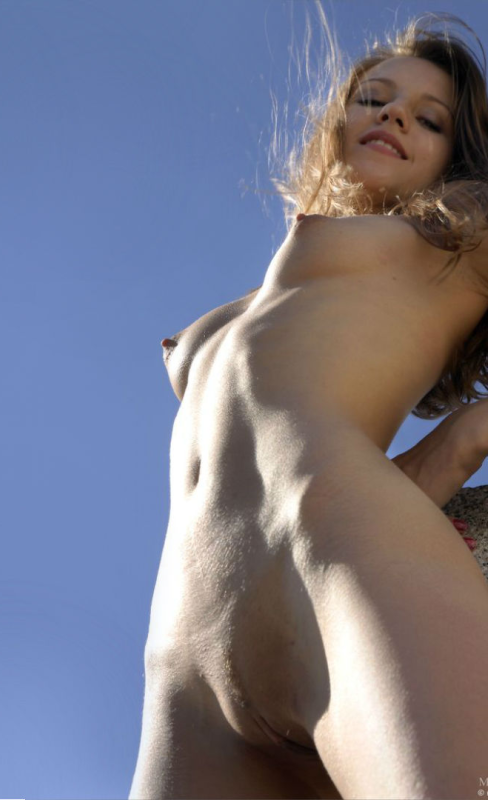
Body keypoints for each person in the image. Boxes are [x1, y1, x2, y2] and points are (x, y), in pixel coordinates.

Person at [130, 11, 488, 799]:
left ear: (457, 158)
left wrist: (470, 433)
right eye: (374, 99)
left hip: (346, 569)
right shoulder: (273, 289)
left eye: (429, 119)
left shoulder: (460, 240)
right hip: (186, 662)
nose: (395, 116)